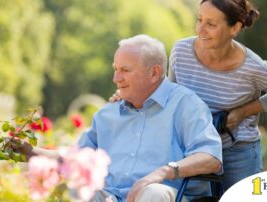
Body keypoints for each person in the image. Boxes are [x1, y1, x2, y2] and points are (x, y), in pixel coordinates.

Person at [18, 34, 222, 202]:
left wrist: (162, 173)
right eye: (115, 69)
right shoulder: (107, 114)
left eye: (125, 70)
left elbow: (211, 158)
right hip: (110, 196)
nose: (116, 79)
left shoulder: (185, 104)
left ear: (154, 73)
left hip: (166, 195)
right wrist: (33, 152)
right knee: (72, 191)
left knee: (153, 193)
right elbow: (77, 157)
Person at [168, 0, 267, 191]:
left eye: (211, 24)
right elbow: (171, 97)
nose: (201, 29)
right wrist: (127, 97)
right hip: (192, 150)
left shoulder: (253, 67)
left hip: (237, 150)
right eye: (199, 20)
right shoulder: (181, 51)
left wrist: (242, 112)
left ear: (235, 28)